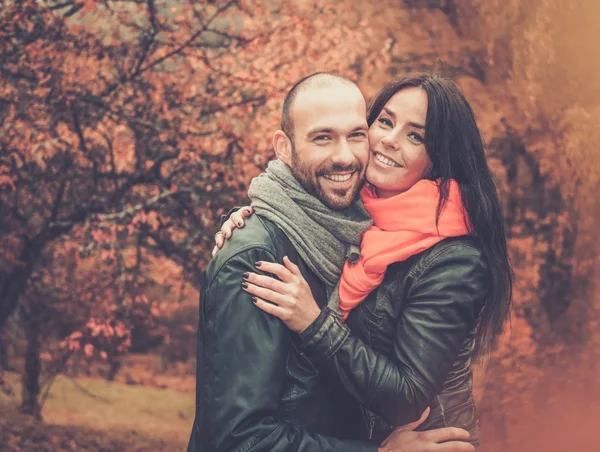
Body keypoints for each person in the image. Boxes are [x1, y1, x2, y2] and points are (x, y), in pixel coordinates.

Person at [214, 73, 513, 451]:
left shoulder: (455, 259)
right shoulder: (364, 214)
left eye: (415, 136)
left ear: (437, 159)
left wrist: (313, 321)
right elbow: (304, 205)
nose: (389, 139)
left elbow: (408, 396)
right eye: (385, 122)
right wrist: (250, 220)